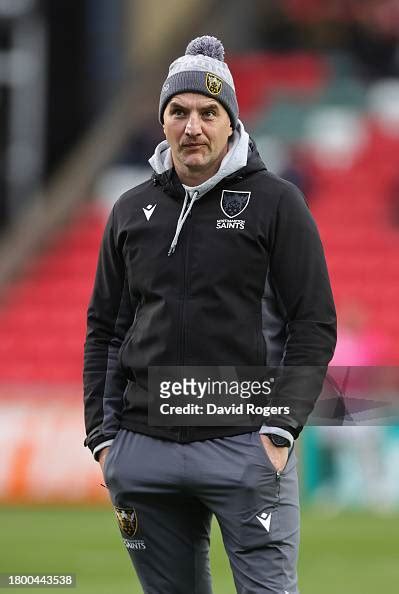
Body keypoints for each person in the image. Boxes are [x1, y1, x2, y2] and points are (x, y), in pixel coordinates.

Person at [83, 35, 336, 594]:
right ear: (163, 120)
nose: (192, 126)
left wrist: (278, 431)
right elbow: (104, 328)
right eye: (178, 111)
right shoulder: (129, 210)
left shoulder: (276, 202)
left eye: (207, 112)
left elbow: (313, 323)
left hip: (244, 443)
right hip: (142, 450)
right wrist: (104, 439)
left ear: (231, 123)